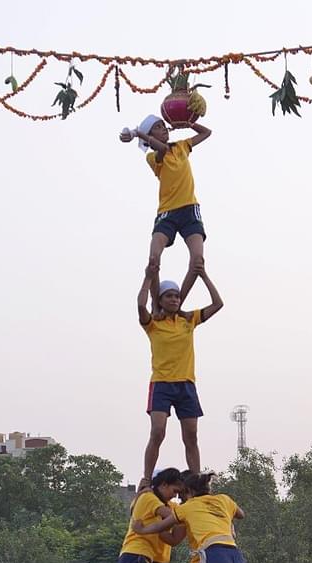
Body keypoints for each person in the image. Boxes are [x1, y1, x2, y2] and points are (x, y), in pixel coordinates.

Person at [136, 265, 224, 484]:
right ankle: (147, 479)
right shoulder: (153, 324)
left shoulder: (188, 319)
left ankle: (196, 480)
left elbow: (218, 304)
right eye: (169, 296)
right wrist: (148, 278)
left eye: (177, 296)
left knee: (191, 435)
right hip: (162, 384)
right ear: (161, 300)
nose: (174, 299)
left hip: (186, 384)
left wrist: (204, 275)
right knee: (157, 432)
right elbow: (140, 304)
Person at [120, 114, 211, 301]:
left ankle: (178, 304)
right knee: (153, 260)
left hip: (189, 209)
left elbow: (206, 132)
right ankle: (156, 304)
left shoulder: (182, 146)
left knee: (198, 262)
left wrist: (188, 122)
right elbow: (161, 148)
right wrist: (138, 134)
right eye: (158, 127)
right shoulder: (153, 157)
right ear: (149, 135)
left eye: (163, 126)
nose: (163, 129)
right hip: (167, 213)